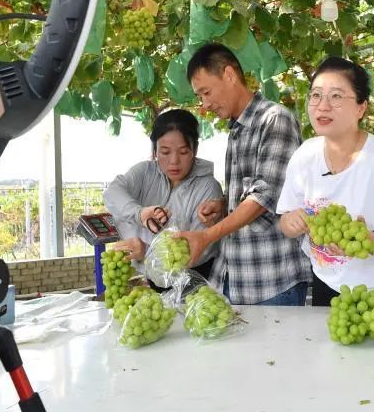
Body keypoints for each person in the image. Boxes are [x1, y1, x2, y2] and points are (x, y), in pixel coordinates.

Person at [276, 57, 374, 306]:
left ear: (360, 108)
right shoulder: (305, 156)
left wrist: (370, 241)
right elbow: (285, 219)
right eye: (315, 95)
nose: (322, 106)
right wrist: (290, 223)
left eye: (336, 96)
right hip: (328, 286)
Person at [174, 43, 311, 306]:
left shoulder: (274, 120)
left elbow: (264, 198)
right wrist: (225, 204)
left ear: (229, 75)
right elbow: (251, 193)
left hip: (272, 280)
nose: (204, 104)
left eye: (206, 92)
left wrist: (206, 236)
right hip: (234, 276)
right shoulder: (237, 130)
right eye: (199, 97)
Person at [104, 109, 224, 289]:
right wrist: (140, 213)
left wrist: (147, 251)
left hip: (193, 287)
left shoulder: (208, 188)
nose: (174, 161)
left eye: (183, 152)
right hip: (151, 281)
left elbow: (195, 254)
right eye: (165, 152)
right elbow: (112, 192)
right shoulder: (145, 173)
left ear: (195, 150)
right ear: (155, 150)